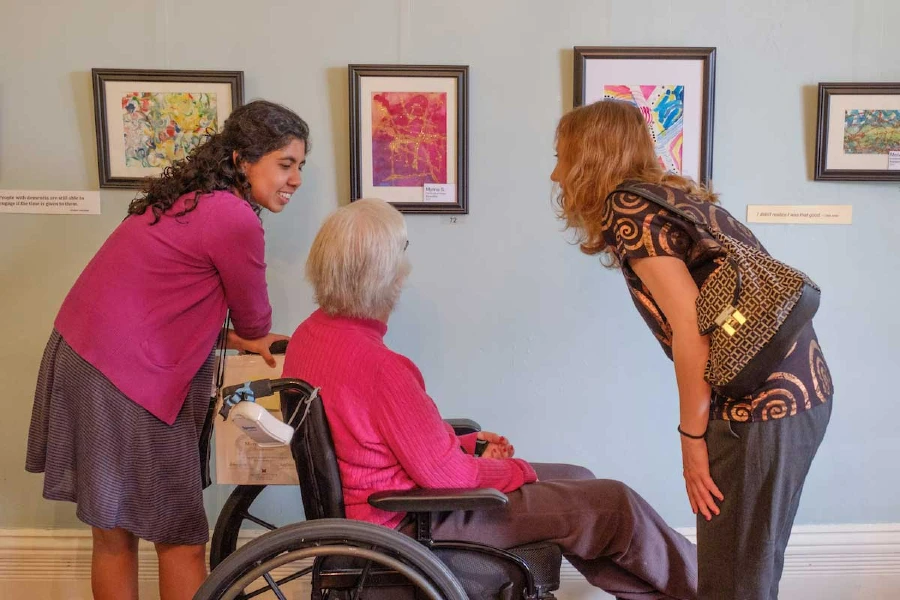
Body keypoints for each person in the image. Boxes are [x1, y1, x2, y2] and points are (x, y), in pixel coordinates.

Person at [282, 198, 698, 600]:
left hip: (380, 507)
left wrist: (468, 446)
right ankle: (718, 590)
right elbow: (446, 477)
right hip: (413, 521)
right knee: (613, 505)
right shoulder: (381, 368)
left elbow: (377, 440)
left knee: (579, 476)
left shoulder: (308, 337)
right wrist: (511, 470)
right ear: (384, 277)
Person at [25, 100, 310, 600]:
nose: (296, 180)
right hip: (126, 376)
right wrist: (250, 334)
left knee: (113, 532)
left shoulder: (189, 199)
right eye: (286, 164)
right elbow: (255, 320)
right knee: (179, 537)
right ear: (244, 160)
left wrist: (232, 337)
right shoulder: (233, 216)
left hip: (81, 357)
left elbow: (164, 300)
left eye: (301, 167)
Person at [551, 99, 833, 599]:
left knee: (734, 580)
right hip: (797, 390)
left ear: (589, 157)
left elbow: (692, 331)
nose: (556, 174)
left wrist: (692, 442)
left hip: (759, 409)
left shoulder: (628, 209)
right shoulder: (669, 197)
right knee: (748, 567)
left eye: (561, 158)